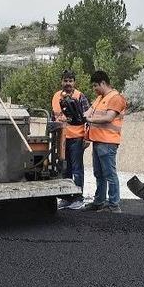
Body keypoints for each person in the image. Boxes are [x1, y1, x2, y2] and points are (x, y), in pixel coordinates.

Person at [82, 70, 127, 213]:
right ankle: (99, 201)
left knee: (109, 174)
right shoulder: (99, 98)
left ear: (103, 83)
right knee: (99, 173)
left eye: (95, 85)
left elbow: (108, 118)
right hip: (97, 141)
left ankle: (114, 205)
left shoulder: (116, 98)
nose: (94, 89)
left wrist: (90, 119)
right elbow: (87, 113)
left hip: (108, 142)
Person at [52, 69, 90, 210]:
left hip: (76, 138)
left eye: (70, 81)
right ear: (62, 81)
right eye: (65, 81)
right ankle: (67, 198)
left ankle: (78, 198)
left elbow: (88, 119)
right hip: (61, 139)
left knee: (77, 169)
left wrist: (87, 137)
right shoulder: (56, 96)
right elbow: (53, 117)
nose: (68, 83)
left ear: (74, 82)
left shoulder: (80, 97)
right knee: (64, 169)